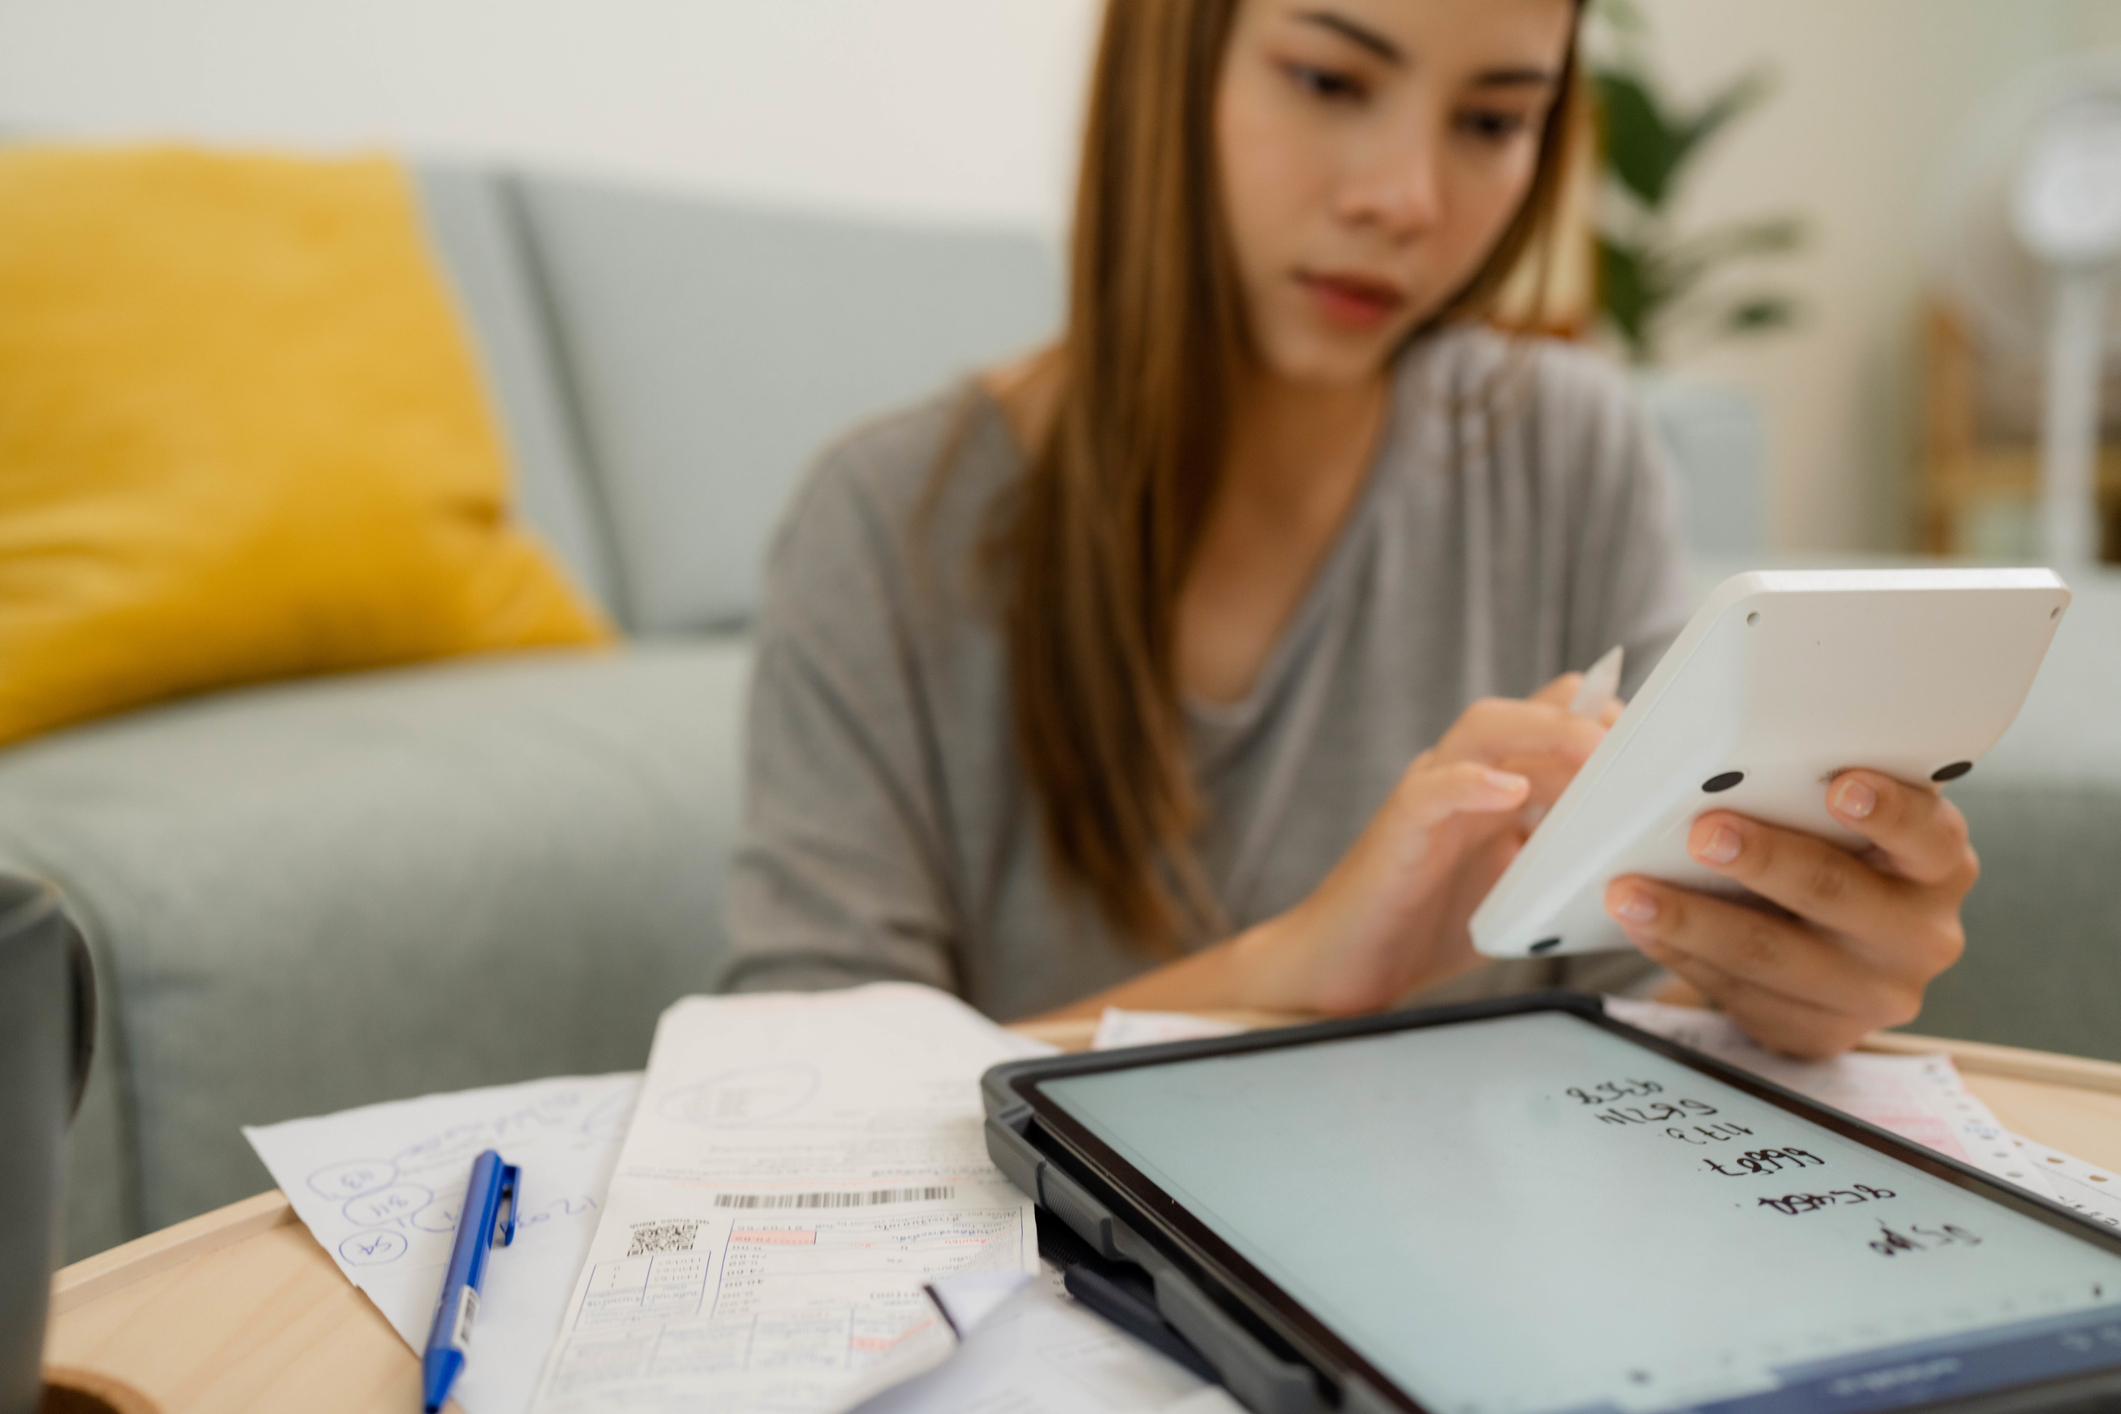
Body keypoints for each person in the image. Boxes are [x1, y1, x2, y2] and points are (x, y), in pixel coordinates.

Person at [717, 0, 1976, 1059]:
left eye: (1491, 120)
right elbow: (792, 1104)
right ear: (1172, 59)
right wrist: (1299, 966)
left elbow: (1653, 980)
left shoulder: (1571, 450)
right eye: (1327, 78)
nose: (1404, 199)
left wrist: (1778, 976)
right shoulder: (888, 525)